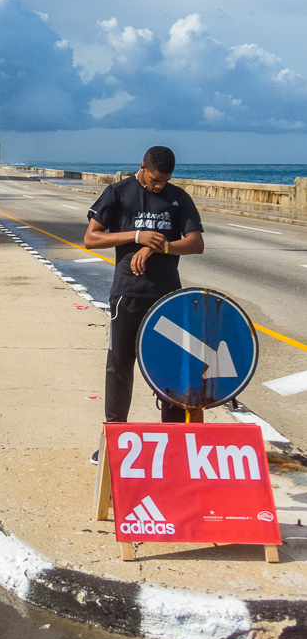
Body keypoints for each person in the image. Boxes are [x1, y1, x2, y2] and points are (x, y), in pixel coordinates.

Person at [83, 146, 204, 452]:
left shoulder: (178, 198)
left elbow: (195, 243)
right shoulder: (118, 193)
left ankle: (175, 441)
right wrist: (136, 236)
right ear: (142, 167)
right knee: (120, 366)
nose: (158, 186)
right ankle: (113, 439)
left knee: (170, 367)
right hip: (127, 294)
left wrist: (159, 246)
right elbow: (91, 238)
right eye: (154, 181)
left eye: (164, 181)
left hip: (166, 297)